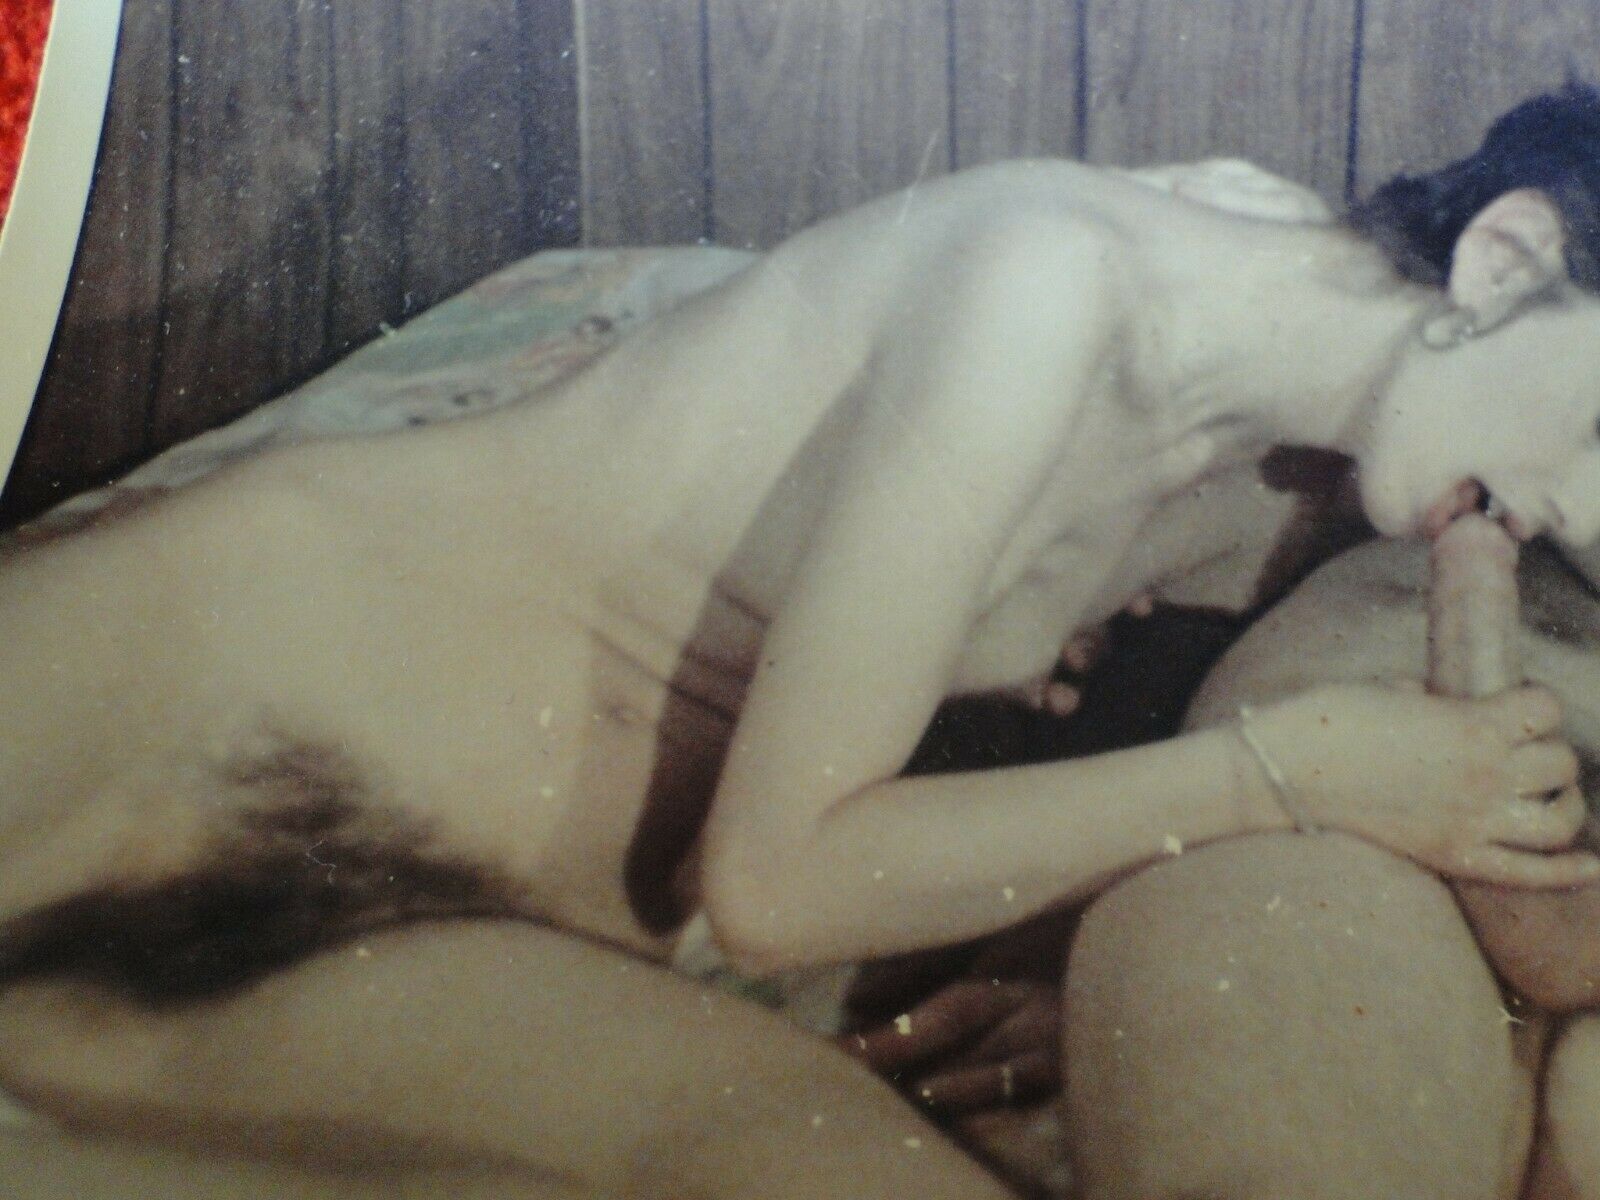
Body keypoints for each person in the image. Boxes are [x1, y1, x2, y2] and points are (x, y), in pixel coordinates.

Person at [4, 85, 1600, 1196]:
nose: (1583, 518)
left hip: (467, 916)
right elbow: (776, 888)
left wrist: (1065, 950)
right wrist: (1274, 778)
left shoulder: (1303, 484)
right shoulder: (1055, 279)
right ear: (1506, 260)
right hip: (237, 673)